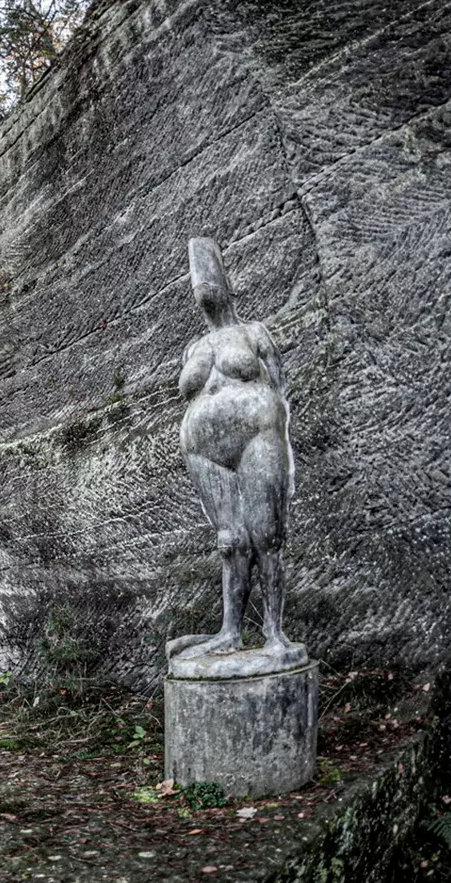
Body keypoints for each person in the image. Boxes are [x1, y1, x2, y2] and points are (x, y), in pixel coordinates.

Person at [173, 237, 294, 658]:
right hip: (204, 451)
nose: (203, 291)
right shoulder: (193, 347)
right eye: (196, 285)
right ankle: (230, 631)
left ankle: (275, 632)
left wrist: (270, 426)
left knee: (266, 535)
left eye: (209, 281)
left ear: (225, 286)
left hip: (257, 436)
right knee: (230, 540)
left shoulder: (254, 332)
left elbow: (281, 388)